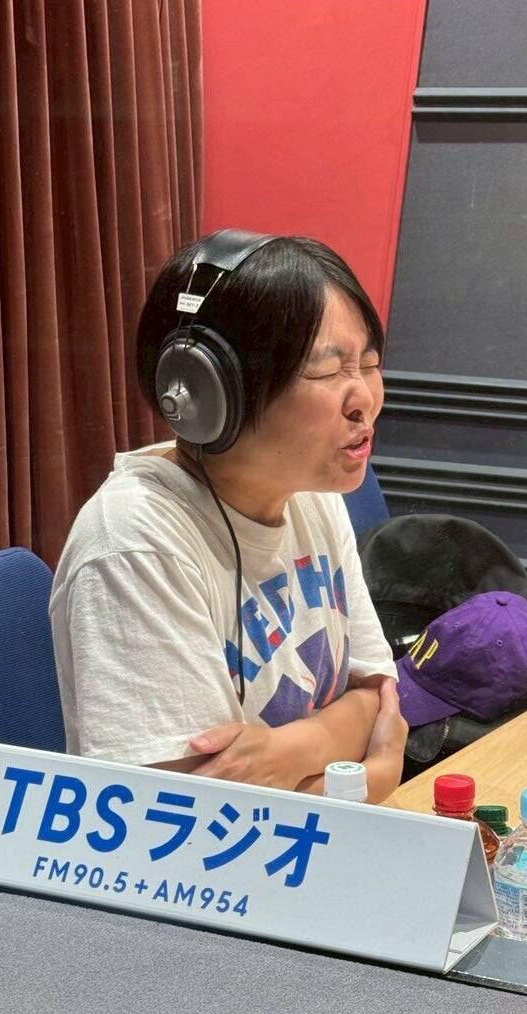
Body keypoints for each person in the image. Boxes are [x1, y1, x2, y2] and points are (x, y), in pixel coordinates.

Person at [49, 231, 408, 801]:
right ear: (209, 390)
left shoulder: (312, 495)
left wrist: (294, 752)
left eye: (368, 364)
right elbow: (187, 812)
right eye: (328, 371)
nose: (364, 398)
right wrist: (373, 772)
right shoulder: (136, 544)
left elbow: (378, 696)